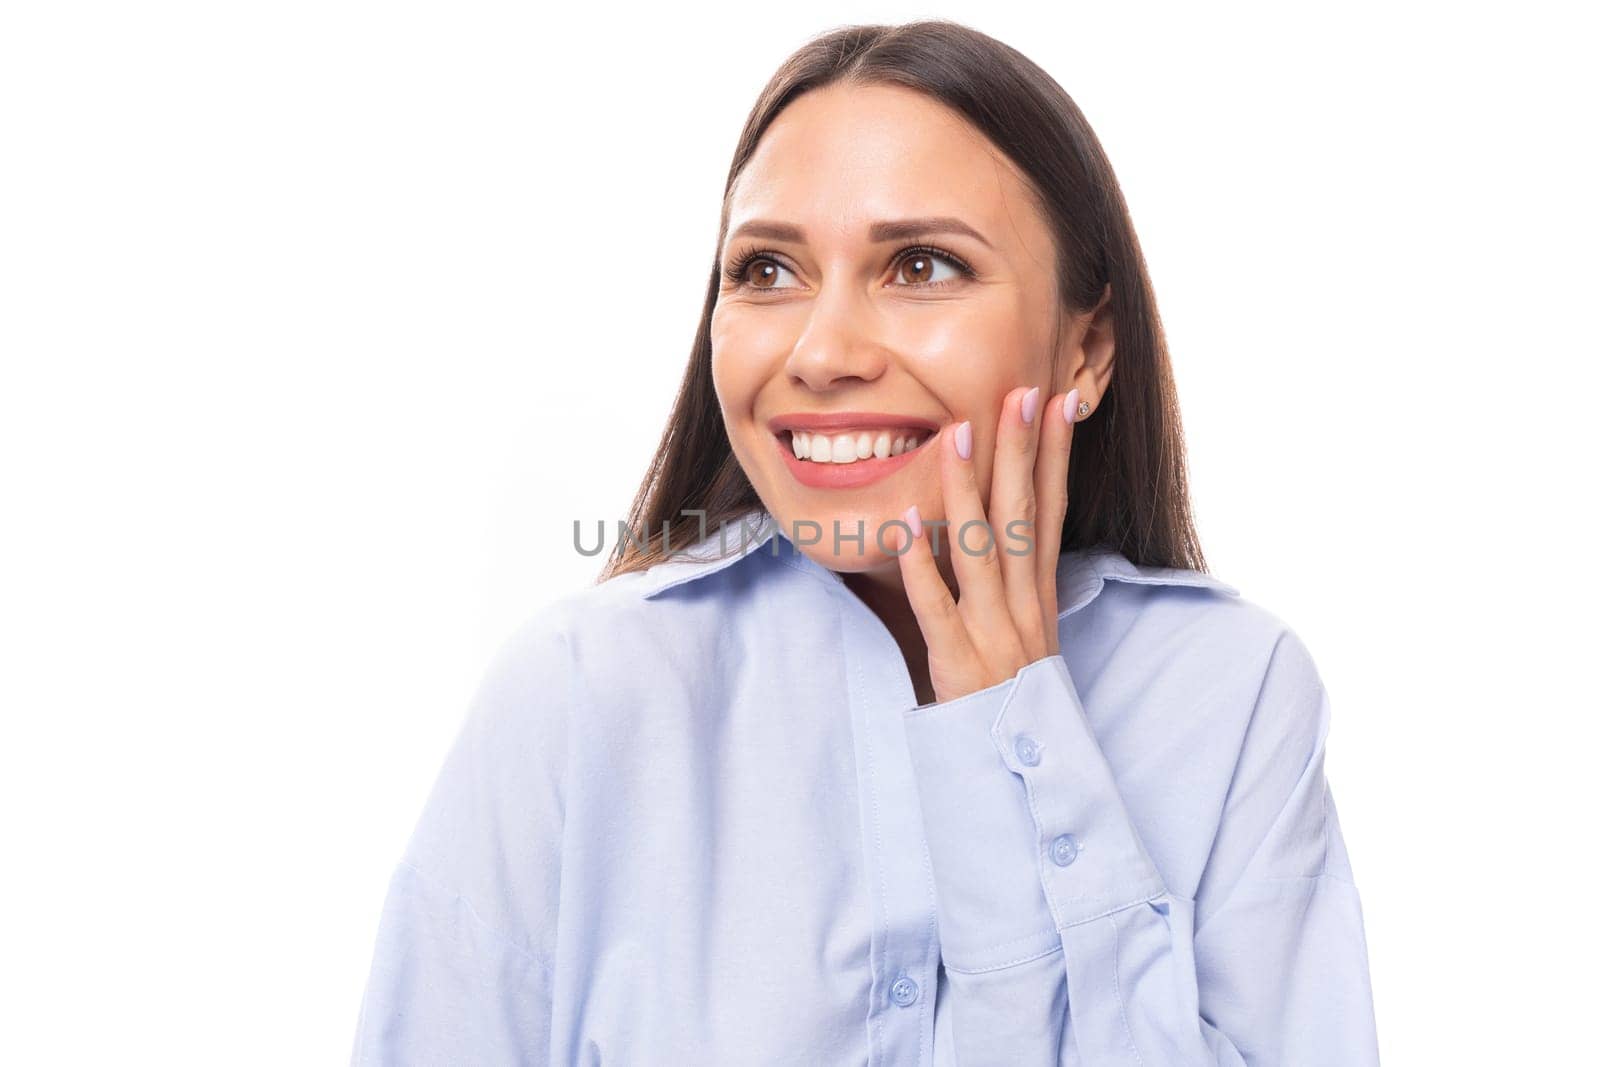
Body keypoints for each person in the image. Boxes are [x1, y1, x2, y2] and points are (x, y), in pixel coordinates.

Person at [350, 19, 1380, 1066]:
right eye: (764, 271)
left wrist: (1011, 730)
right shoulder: (580, 687)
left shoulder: (1233, 695)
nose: (823, 350)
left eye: (921, 265)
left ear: (1088, 347)